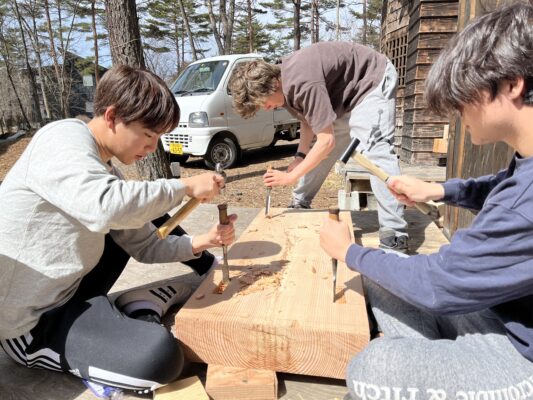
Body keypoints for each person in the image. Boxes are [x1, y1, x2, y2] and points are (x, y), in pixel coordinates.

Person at [319, 3, 533, 399]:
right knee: (390, 268)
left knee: (373, 367)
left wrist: (348, 251)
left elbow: (437, 282)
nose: (456, 112)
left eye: (463, 96)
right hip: (499, 311)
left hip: (522, 358)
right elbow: (501, 187)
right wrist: (438, 190)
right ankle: (436, 370)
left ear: (512, 84)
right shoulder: (526, 165)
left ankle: (428, 370)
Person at [0, 65, 237, 394]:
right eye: (149, 135)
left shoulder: (106, 169)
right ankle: (112, 334)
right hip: (31, 322)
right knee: (161, 358)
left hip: (70, 292)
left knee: (141, 206)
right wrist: (185, 187)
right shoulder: (61, 140)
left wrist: (201, 241)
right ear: (111, 116)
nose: (152, 147)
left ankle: (134, 307)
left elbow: (144, 245)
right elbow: (106, 206)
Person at [229, 41, 409, 253]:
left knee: (374, 149)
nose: (267, 109)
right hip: (344, 98)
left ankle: (394, 233)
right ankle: (299, 202)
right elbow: (309, 121)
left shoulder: (302, 82)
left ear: (273, 85)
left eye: (264, 103)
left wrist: (289, 178)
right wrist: (300, 155)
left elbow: (326, 141)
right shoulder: (282, 84)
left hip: (371, 82)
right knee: (317, 151)